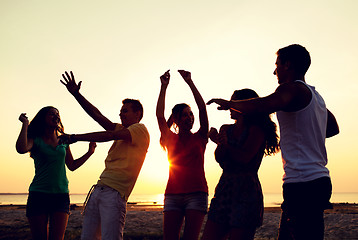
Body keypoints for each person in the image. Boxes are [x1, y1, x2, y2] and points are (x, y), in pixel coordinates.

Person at [207, 44, 339, 240]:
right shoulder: (316, 97)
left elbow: (266, 104)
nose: (274, 70)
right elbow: (333, 128)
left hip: (303, 183)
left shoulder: (291, 89)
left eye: (277, 64)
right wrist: (308, 133)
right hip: (315, 181)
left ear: (287, 65)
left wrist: (231, 104)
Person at [60, 71, 150, 240]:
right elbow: (97, 115)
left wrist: (75, 137)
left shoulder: (140, 130)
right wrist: (77, 95)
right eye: (120, 111)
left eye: (125, 111)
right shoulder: (120, 129)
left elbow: (108, 136)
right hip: (98, 190)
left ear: (137, 114)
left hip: (115, 194)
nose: (120, 114)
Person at [202, 89, 280, 240]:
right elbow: (220, 159)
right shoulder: (226, 128)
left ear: (246, 105)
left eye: (235, 103)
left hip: (247, 190)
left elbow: (245, 158)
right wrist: (219, 142)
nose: (230, 107)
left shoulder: (257, 130)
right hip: (225, 187)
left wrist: (226, 144)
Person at [16, 106, 96, 240]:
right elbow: (21, 148)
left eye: (57, 114)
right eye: (51, 114)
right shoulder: (35, 140)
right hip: (38, 195)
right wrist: (25, 124)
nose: (56, 116)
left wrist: (90, 153)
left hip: (61, 196)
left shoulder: (63, 141)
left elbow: (72, 166)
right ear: (43, 118)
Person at [156, 70, 209, 240]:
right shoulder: (169, 138)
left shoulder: (201, 137)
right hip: (172, 195)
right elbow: (159, 115)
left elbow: (202, 108)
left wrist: (190, 82)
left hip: (197, 193)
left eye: (190, 114)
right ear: (176, 120)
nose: (189, 117)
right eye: (184, 115)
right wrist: (163, 87)